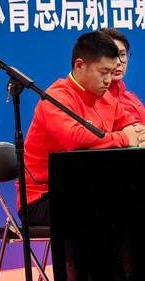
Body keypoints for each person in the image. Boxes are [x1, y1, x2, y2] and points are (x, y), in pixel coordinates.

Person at [21, 31, 145, 226]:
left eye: (111, 73)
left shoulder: (105, 97)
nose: (108, 80)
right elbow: (76, 139)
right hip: (43, 198)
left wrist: (137, 135)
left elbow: (132, 125)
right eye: (103, 72)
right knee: (118, 207)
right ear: (79, 65)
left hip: (85, 188)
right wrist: (125, 138)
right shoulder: (56, 98)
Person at [101, 28, 145, 123]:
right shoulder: (93, 101)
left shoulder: (131, 97)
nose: (118, 62)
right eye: (111, 55)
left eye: (122, 54)